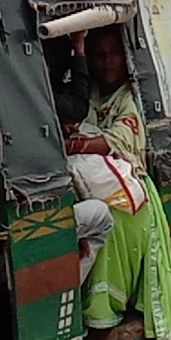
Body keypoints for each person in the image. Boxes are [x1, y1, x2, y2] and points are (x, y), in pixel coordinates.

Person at [73, 27, 171, 340]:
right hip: (89, 186)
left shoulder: (131, 99)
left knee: (107, 229)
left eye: (114, 53)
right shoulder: (84, 94)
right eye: (99, 54)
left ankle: (102, 322)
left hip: (129, 195)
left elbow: (119, 139)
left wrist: (77, 143)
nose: (107, 62)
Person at [48, 32, 114, 279]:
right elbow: (77, 107)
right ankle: (71, 293)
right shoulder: (39, 93)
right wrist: (79, 48)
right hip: (38, 215)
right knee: (102, 216)